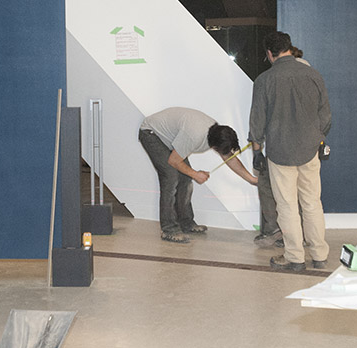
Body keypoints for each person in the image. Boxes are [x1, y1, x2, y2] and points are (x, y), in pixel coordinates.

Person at [249, 32, 332, 271]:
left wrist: (257, 150)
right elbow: (325, 116)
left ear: (269, 53)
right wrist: (319, 138)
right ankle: (319, 255)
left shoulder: (264, 80)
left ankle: (295, 257)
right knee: (312, 203)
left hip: (280, 151)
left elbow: (257, 121)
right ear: (289, 48)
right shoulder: (313, 75)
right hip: (309, 150)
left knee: (286, 206)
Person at [139, 107, 258, 243]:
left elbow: (229, 158)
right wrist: (196, 174)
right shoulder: (194, 135)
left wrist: (251, 179)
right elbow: (174, 161)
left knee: (185, 178)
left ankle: (186, 223)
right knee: (171, 178)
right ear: (214, 146)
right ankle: (168, 230)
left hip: (168, 138)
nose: (224, 153)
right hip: (151, 133)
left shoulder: (216, 133)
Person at [252, 45, 310, 248]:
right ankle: (306, 239)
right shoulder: (310, 73)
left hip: (281, 147)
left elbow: (260, 115)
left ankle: (284, 239)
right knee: (306, 196)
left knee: (281, 195)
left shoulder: (275, 76)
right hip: (306, 147)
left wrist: (257, 149)